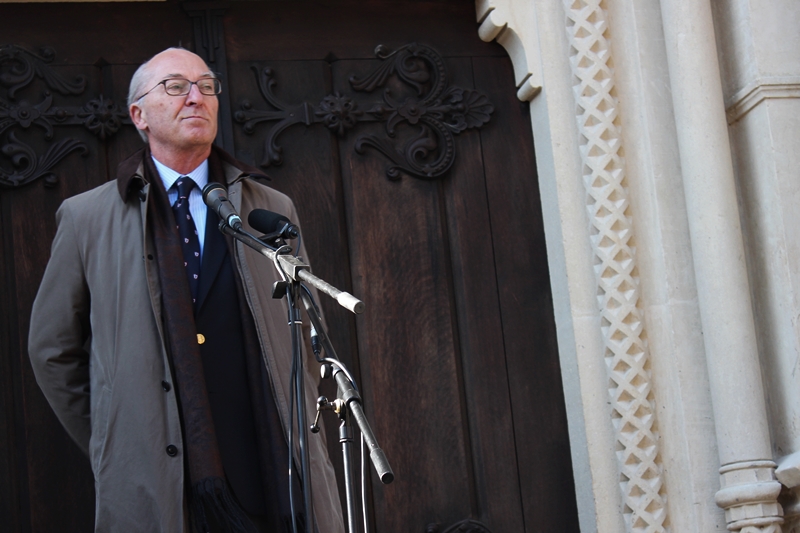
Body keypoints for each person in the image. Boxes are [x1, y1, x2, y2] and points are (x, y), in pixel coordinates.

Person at [28, 47, 344, 533]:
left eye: (206, 86)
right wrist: (115, 440)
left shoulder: (269, 207)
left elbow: (305, 332)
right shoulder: (86, 217)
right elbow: (52, 350)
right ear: (139, 115)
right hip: (156, 483)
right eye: (175, 86)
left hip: (269, 471)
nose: (196, 97)